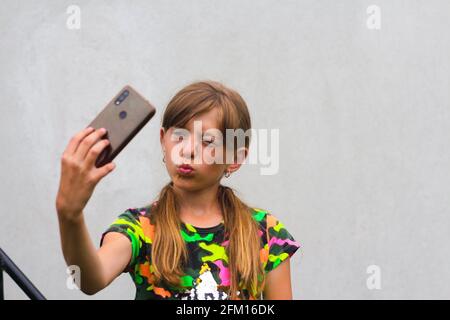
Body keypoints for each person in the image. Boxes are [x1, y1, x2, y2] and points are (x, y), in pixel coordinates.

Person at [55, 80, 300, 300]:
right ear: (163, 139)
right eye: (179, 135)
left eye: (207, 141)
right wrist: (70, 214)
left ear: (235, 158)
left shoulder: (266, 233)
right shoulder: (140, 227)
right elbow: (89, 278)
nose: (187, 150)